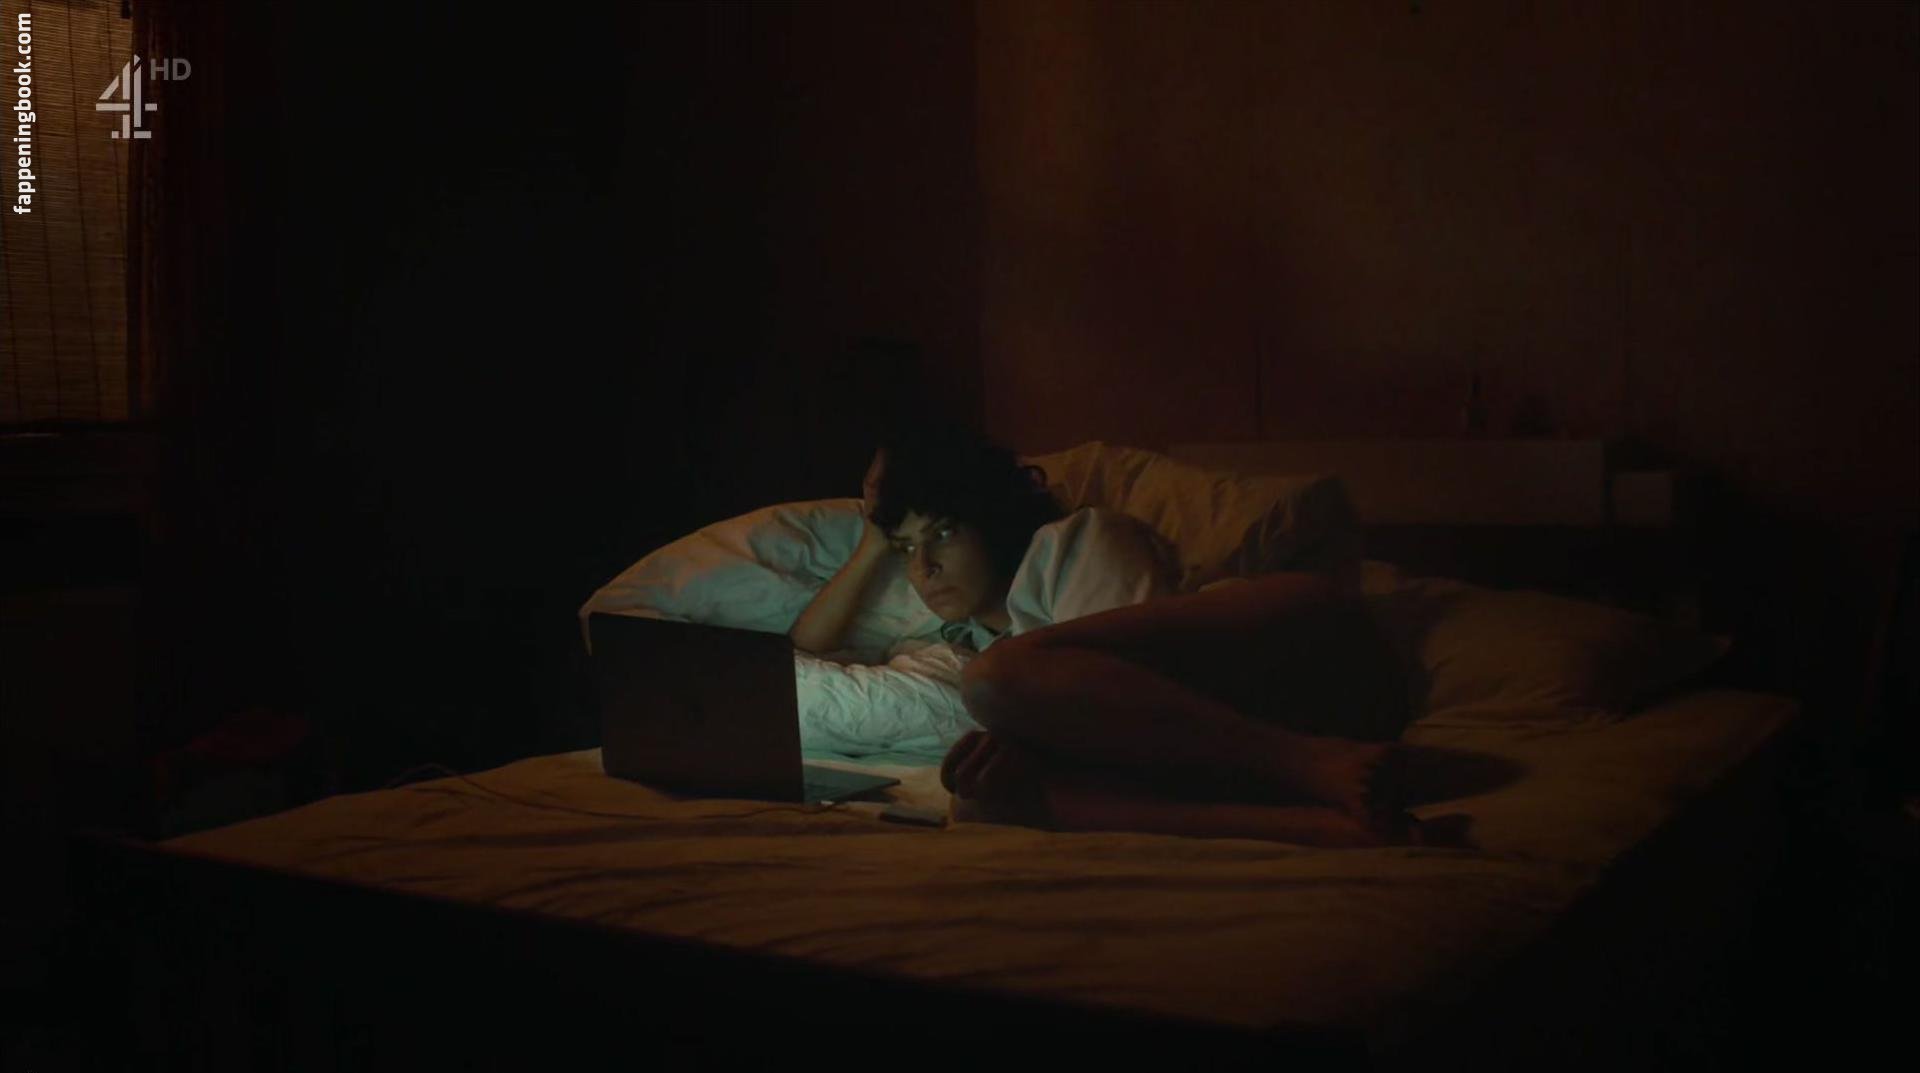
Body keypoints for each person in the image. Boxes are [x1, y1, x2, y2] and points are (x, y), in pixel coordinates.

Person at [789, 422, 1450, 849]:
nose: (924, 566)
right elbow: (809, 643)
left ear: (990, 517)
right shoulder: (960, 632)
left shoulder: (1075, 543)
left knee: (995, 682)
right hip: (1221, 745)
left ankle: (1316, 763)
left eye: (941, 533)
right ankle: (1330, 827)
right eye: (907, 548)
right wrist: (876, 540)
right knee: (980, 804)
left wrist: (1026, 738)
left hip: (1310, 655)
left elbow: (1140, 690)